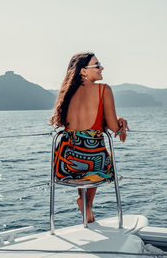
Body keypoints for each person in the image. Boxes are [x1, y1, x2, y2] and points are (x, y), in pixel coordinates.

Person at [50, 52, 129, 223]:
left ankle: (86, 206)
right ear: (83, 71)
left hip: (65, 162)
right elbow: (114, 127)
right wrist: (121, 123)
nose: (101, 68)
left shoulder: (67, 93)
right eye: (97, 65)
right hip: (92, 159)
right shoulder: (104, 89)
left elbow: (76, 125)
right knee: (95, 156)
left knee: (83, 152)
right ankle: (87, 205)